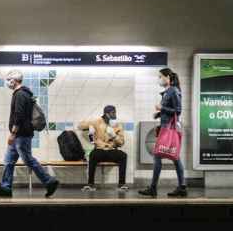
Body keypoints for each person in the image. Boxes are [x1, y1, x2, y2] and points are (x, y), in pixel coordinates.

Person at [0, 70, 59, 198]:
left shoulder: (20, 94)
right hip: (21, 134)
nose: (7, 83)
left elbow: (19, 115)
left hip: (21, 134)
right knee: (8, 161)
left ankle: (49, 181)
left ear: (14, 80)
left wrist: (13, 133)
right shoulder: (23, 94)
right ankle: (6, 188)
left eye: (8, 80)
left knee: (28, 159)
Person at [139, 68, 187, 197]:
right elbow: (171, 110)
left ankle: (154, 188)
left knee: (160, 156)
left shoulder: (173, 91)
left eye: (160, 76)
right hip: (166, 126)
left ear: (167, 77)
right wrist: (159, 114)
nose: (159, 79)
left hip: (169, 129)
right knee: (174, 157)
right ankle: (181, 187)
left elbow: (178, 110)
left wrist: (162, 108)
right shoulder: (168, 92)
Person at [78, 105, 128, 191]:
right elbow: (80, 126)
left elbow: (121, 142)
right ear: (107, 114)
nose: (115, 115)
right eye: (113, 113)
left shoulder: (117, 125)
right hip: (99, 150)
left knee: (123, 155)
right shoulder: (97, 122)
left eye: (115, 112)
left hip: (111, 150)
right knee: (92, 155)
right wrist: (89, 128)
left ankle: (121, 184)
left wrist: (114, 135)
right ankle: (90, 184)